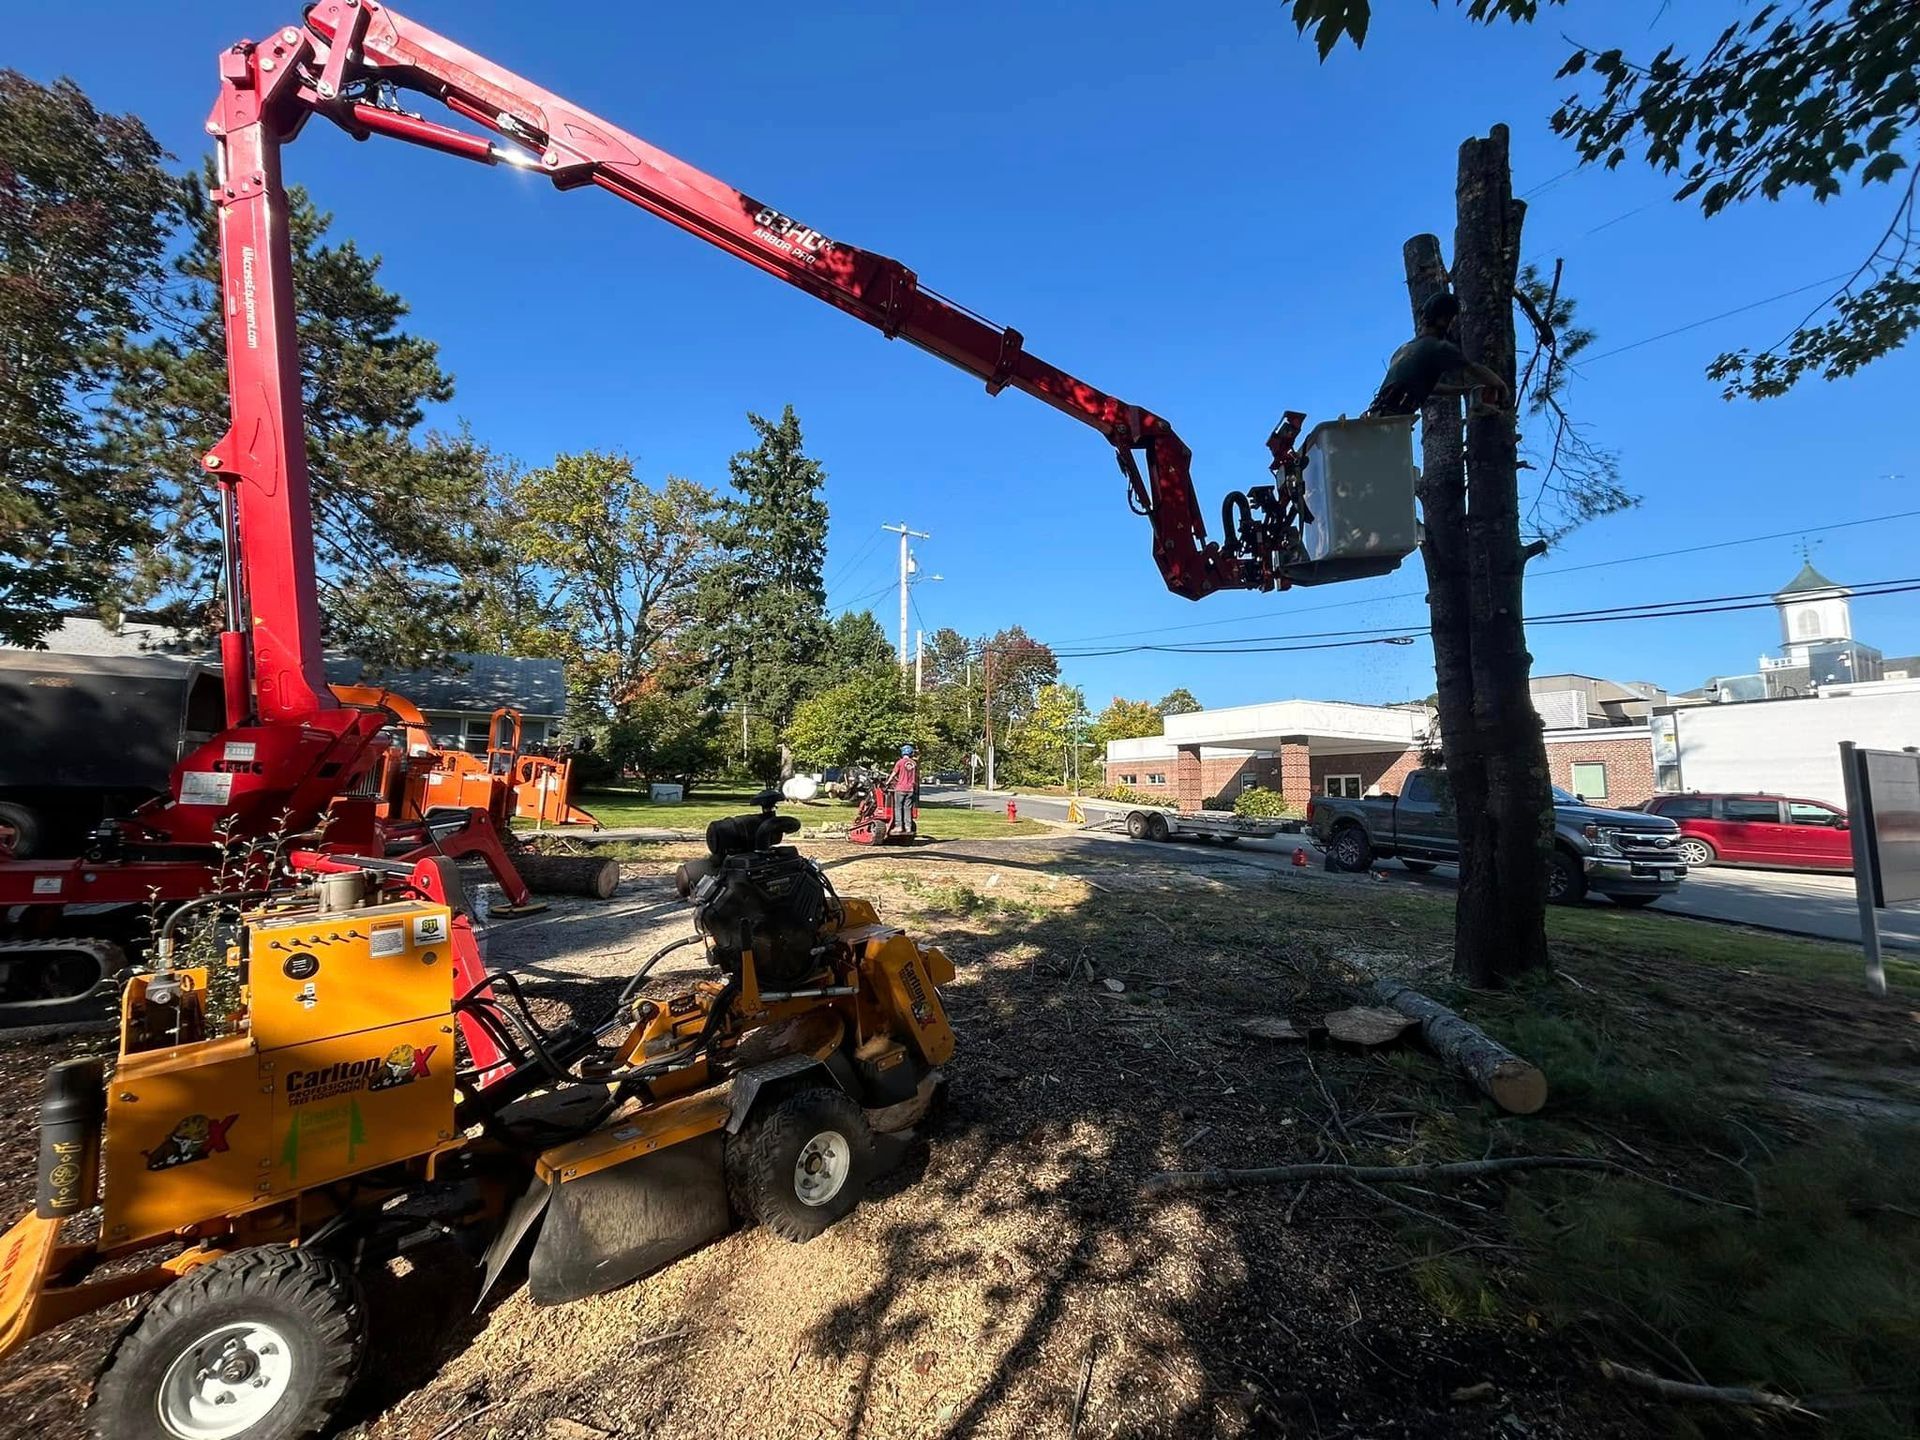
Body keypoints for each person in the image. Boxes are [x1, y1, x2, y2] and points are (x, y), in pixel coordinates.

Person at [1365, 291, 1512, 417]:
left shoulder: (1404, 349)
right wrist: (1500, 385)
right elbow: (1473, 368)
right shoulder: (1439, 347)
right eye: (1453, 319)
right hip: (1393, 419)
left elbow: (1430, 387)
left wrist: (1465, 391)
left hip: (1379, 416)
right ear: (1443, 320)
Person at [886, 744, 919, 838]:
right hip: (910, 789)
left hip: (900, 788)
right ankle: (908, 827)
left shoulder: (900, 762)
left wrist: (888, 781)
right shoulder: (914, 764)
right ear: (911, 753)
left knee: (898, 807)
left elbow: (894, 773)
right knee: (907, 808)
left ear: (902, 752)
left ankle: (898, 826)